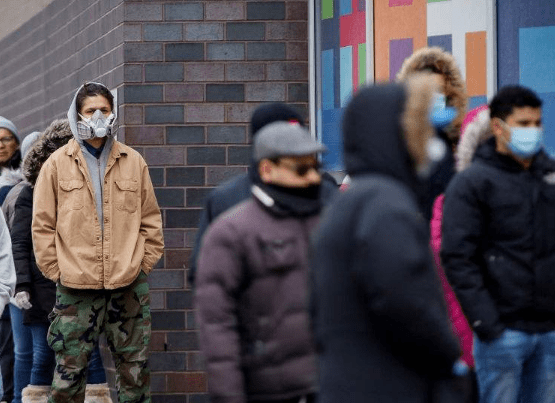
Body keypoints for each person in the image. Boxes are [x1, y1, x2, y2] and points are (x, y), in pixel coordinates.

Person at [311, 76, 468, 403]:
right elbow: (405, 301)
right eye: (418, 128)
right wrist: (449, 352)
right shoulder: (387, 206)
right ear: (395, 133)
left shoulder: (355, 200)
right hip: (389, 385)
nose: (427, 138)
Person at [31, 82, 164, 403]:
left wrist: (140, 265)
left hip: (128, 285)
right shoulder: (56, 165)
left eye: (105, 110)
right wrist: (59, 272)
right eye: (91, 110)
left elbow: (151, 221)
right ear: (77, 114)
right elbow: (42, 226)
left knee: (135, 374)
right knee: (68, 378)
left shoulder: (133, 161)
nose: (99, 116)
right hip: (75, 289)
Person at [195, 121, 326, 403]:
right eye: (301, 169)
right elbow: (217, 325)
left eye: (317, 167)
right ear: (267, 169)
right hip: (268, 390)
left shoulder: (327, 220)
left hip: (327, 384)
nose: (314, 178)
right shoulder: (231, 232)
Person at [441, 85, 555, 403]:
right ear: (497, 127)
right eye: (523, 124)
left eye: (537, 123)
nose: (533, 131)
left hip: (548, 332)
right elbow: (457, 257)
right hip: (503, 333)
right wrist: (487, 324)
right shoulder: (472, 183)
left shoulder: (550, 176)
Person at [3, 120, 111, 403]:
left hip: (82, 284)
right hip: (41, 289)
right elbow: (20, 243)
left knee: (89, 354)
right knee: (42, 355)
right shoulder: (30, 192)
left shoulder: (88, 190)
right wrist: (22, 285)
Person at [188, 103, 337, 287]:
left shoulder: (327, 194)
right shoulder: (226, 200)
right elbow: (207, 279)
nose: (296, 150)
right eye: (285, 142)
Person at [396, 46, 468, 219]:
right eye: (425, 92)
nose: (432, 98)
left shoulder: (463, 145)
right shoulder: (397, 145)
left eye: (438, 92)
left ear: (450, 96)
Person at [0, 117, 24, 403]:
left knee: (12, 348)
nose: (1, 145)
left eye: (6, 138)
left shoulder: (22, 180)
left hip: (13, 274)